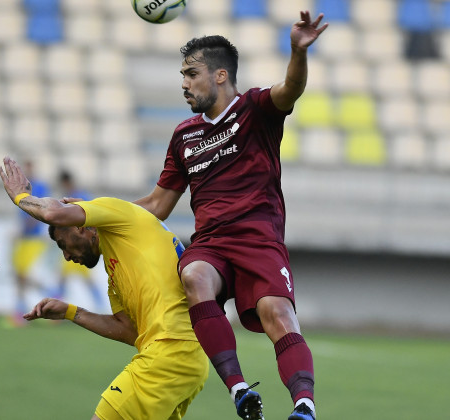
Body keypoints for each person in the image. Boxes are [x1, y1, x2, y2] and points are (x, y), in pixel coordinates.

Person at [133, 11, 328, 420]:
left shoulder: (255, 109)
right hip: (212, 243)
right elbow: (157, 205)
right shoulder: (184, 136)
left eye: (191, 73)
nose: (184, 83)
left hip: (259, 238)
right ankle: (239, 390)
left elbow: (291, 88)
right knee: (193, 275)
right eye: (182, 75)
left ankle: (304, 408)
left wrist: (297, 51)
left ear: (220, 75)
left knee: (278, 314)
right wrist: (91, 213)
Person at [0, 156, 209, 420]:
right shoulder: (117, 267)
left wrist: (20, 197)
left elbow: (52, 212)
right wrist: (70, 312)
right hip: (187, 359)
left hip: (169, 351)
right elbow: (129, 329)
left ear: (81, 225)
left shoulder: (114, 212)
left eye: (63, 244)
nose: (66, 256)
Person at [53, 169, 107, 312]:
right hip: (74, 246)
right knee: (66, 278)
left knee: (77, 280)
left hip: (80, 247)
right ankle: (100, 306)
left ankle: (100, 306)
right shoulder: (76, 196)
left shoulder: (80, 197)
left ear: (66, 182)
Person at [9, 160, 51, 327]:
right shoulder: (21, 189)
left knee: (25, 275)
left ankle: (51, 295)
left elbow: (41, 211)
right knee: (18, 276)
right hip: (24, 239)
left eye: (29, 166)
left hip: (34, 239)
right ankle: (20, 314)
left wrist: (24, 229)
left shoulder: (39, 187)